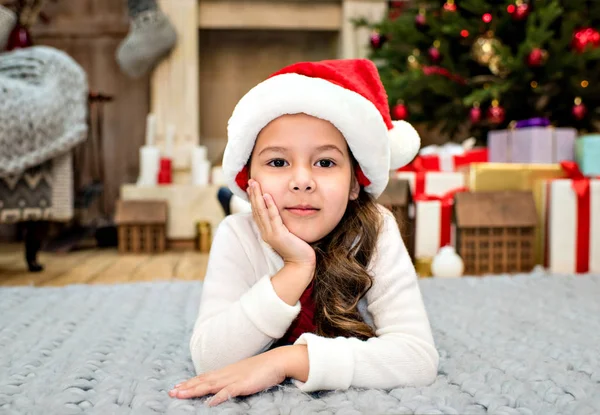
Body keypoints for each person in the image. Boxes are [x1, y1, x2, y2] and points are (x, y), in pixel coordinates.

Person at [169, 59, 438, 406]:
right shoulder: (237, 234)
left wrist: (287, 360)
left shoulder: (377, 229)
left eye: (325, 163)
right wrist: (296, 268)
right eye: (278, 162)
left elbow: (417, 358)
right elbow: (210, 359)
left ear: (355, 183)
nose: (301, 181)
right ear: (249, 178)